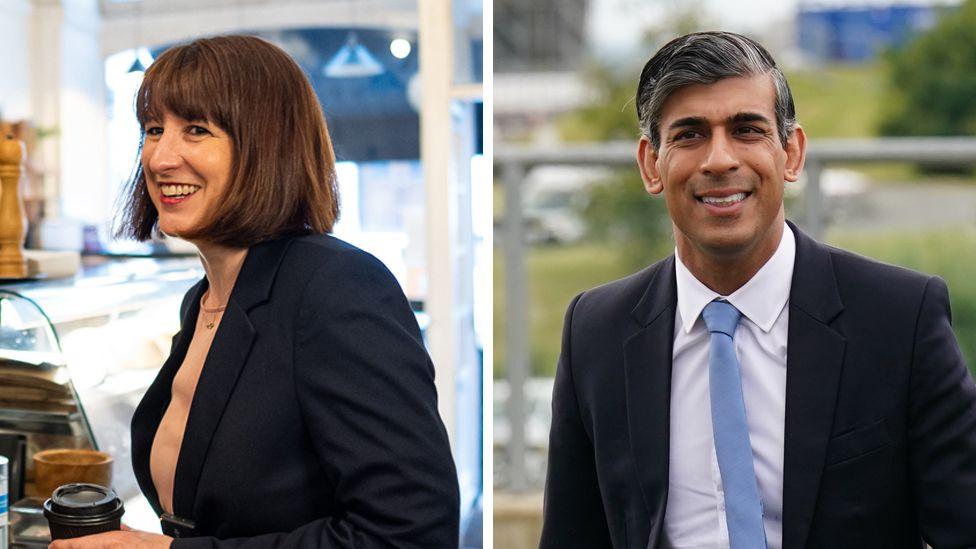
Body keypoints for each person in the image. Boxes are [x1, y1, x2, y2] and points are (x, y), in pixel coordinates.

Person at [539, 31, 976, 549]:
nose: (720, 160)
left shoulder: (900, 318)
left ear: (791, 153)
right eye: (689, 134)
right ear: (650, 165)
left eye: (746, 130)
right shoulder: (595, 331)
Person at [50, 35, 459, 549]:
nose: (159, 158)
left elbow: (411, 534)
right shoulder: (201, 299)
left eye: (196, 130)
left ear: (267, 147)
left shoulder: (336, 287)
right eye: (154, 130)